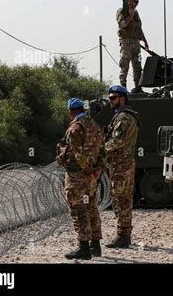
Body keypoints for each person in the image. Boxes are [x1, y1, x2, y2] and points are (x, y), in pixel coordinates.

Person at [56, 98, 105, 260]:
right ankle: (95, 246)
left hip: (77, 175)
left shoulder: (75, 128)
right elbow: (102, 151)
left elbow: (77, 154)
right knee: (91, 207)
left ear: (72, 112)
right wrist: (97, 169)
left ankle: (83, 247)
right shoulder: (95, 126)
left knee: (78, 209)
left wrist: (88, 169)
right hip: (92, 177)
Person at [104, 85, 140, 248]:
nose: (110, 101)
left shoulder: (124, 118)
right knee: (119, 198)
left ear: (122, 99)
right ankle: (123, 234)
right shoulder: (120, 116)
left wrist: (100, 151)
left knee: (122, 199)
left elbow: (117, 141)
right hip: (119, 164)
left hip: (122, 165)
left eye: (113, 98)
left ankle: (123, 236)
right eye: (109, 98)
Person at [116, 0, 149, 93]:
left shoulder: (136, 13)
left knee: (138, 65)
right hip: (126, 43)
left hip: (136, 43)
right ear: (129, 0)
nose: (136, 4)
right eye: (135, 1)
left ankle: (138, 87)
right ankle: (123, 87)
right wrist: (129, 17)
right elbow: (122, 25)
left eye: (137, 2)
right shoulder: (122, 11)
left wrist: (144, 40)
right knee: (124, 65)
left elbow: (139, 28)